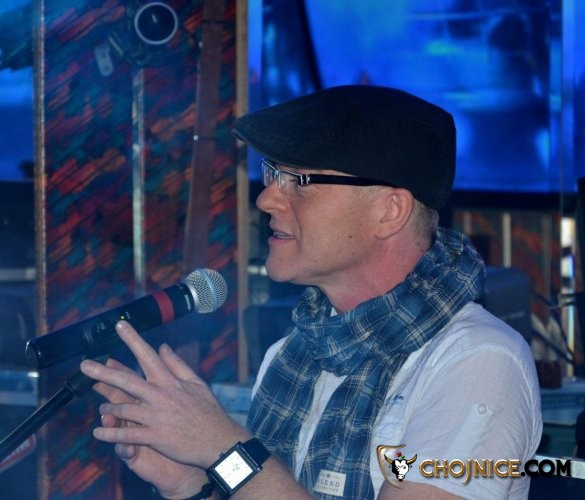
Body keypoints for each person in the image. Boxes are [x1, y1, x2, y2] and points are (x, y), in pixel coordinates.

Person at [80, 85, 542, 499]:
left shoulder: (477, 361)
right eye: (272, 173)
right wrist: (192, 482)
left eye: (299, 180)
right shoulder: (292, 355)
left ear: (390, 211)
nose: (266, 198)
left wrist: (224, 447)